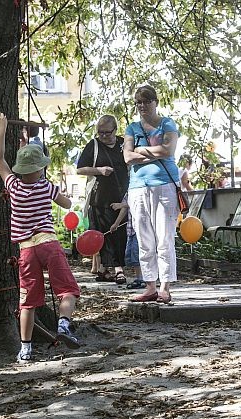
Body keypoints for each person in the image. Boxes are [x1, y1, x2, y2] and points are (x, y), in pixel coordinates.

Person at [0, 112, 81, 363]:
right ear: (40, 167)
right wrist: (57, 192)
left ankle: (26, 348)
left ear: (20, 170)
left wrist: (2, 128)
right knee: (68, 290)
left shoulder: (13, 186)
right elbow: (68, 203)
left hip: (26, 250)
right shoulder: (47, 186)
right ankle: (64, 324)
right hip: (49, 243)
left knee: (27, 302)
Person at [123, 84, 180, 304]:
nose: (143, 106)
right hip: (138, 186)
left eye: (147, 101)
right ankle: (150, 286)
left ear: (155, 102)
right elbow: (127, 157)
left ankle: (165, 287)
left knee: (164, 237)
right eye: (139, 102)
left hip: (164, 184)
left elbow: (168, 150)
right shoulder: (132, 128)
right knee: (144, 237)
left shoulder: (167, 123)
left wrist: (140, 151)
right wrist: (153, 154)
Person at [76, 115, 129, 284]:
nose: (103, 136)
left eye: (107, 132)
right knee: (102, 233)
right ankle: (104, 269)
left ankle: (118, 268)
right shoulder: (94, 145)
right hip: (100, 197)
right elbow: (80, 169)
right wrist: (98, 170)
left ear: (115, 130)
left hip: (121, 196)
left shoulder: (124, 144)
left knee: (119, 232)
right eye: (100, 132)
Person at [110, 195, 145, 290]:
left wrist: (121, 205)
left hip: (141, 229)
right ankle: (139, 278)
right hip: (131, 229)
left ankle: (142, 278)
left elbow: (140, 203)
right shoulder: (129, 192)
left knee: (137, 253)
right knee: (131, 256)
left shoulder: (141, 188)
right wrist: (116, 224)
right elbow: (124, 209)